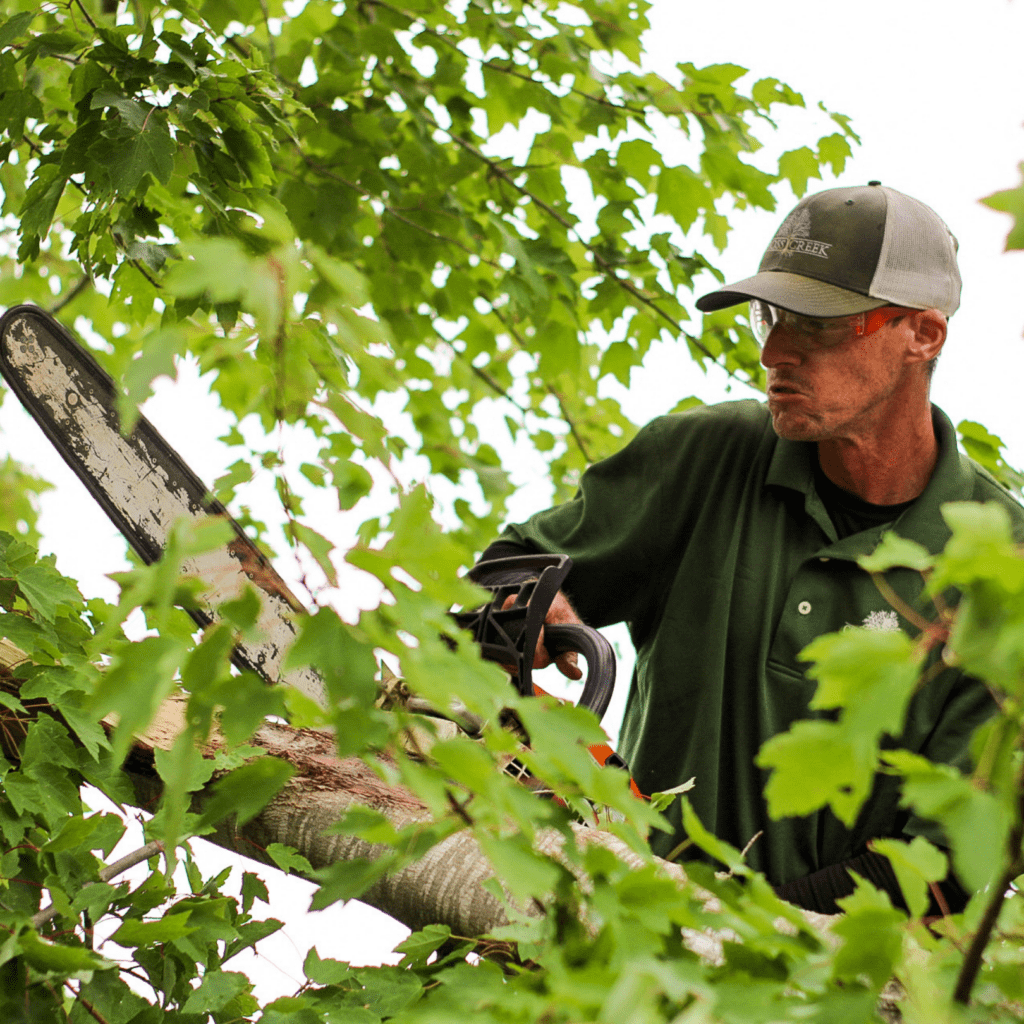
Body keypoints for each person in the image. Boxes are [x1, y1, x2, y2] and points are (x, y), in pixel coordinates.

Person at [475, 182, 1024, 914]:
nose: (772, 350)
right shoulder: (707, 456)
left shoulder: (1005, 571)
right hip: (606, 937)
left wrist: (729, 943)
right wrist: (521, 608)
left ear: (922, 334)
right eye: (770, 315)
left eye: (817, 324)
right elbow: (501, 576)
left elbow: (942, 865)